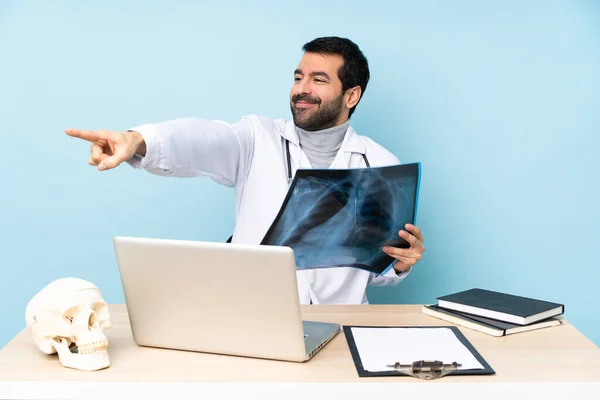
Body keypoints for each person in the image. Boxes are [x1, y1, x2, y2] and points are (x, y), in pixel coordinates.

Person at [65, 36, 425, 305]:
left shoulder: (381, 166)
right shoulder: (257, 138)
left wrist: (400, 264)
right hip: (258, 316)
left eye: (318, 80)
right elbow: (202, 138)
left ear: (351, 95)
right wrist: (139, 139)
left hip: (343, 324)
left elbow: (377, 271)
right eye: (298, 77)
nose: (301, 89)